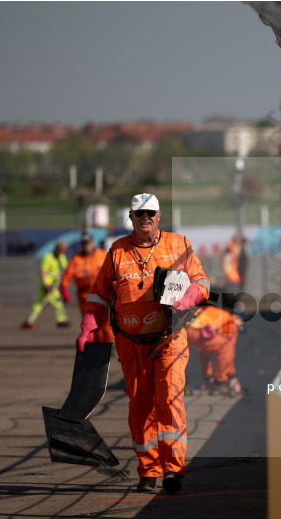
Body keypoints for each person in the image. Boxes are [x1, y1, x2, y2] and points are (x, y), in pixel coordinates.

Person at [76, 193, 209, 493]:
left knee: (169, 401)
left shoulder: (179, 244)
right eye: (139, 214)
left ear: (159, 215)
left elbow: (202, 281)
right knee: (140, 404)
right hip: (130, 341)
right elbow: (98, 293)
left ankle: (173, 470)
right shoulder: (116, 250)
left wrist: (191, 296)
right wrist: (89, 323)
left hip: (169, 340)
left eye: (150, 212)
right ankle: (148, 471)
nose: (145, 217)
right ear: (131, 218)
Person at [60, 233, 114, 343]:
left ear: (92, 243)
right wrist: (64, 291)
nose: (86, 246)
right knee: (91, 323)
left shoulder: (101, 254)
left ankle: (108, 343)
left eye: (88, 243)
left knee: (106, 321)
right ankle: (98, 345)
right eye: (84, 244)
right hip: (84, 296)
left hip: (102, 294)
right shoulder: (76, 259)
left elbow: (111, 270)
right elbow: (67, 276)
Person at [186, 303, 243, 395]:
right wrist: (232, 376)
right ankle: (219, 384)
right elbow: (229, 354)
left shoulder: (213, 311)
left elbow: (204, 350)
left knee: (203, 348)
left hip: (186, 328)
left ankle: (183, 383)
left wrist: (207, 378)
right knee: (226, 347)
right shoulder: (229, 320)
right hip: (199, 332)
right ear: (236, 318)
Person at [21, 241, 70, 330]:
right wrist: (45, 285)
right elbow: (43, 272)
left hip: (54, 283)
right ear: (58, 249)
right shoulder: (47, 257)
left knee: (43, 302)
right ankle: (61, 320)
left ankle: (29, 320)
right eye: (62, 250)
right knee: (53, 301)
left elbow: (65, 268)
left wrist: (64, 272)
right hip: (47, 283)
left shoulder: (61, 257)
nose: (64, 252)